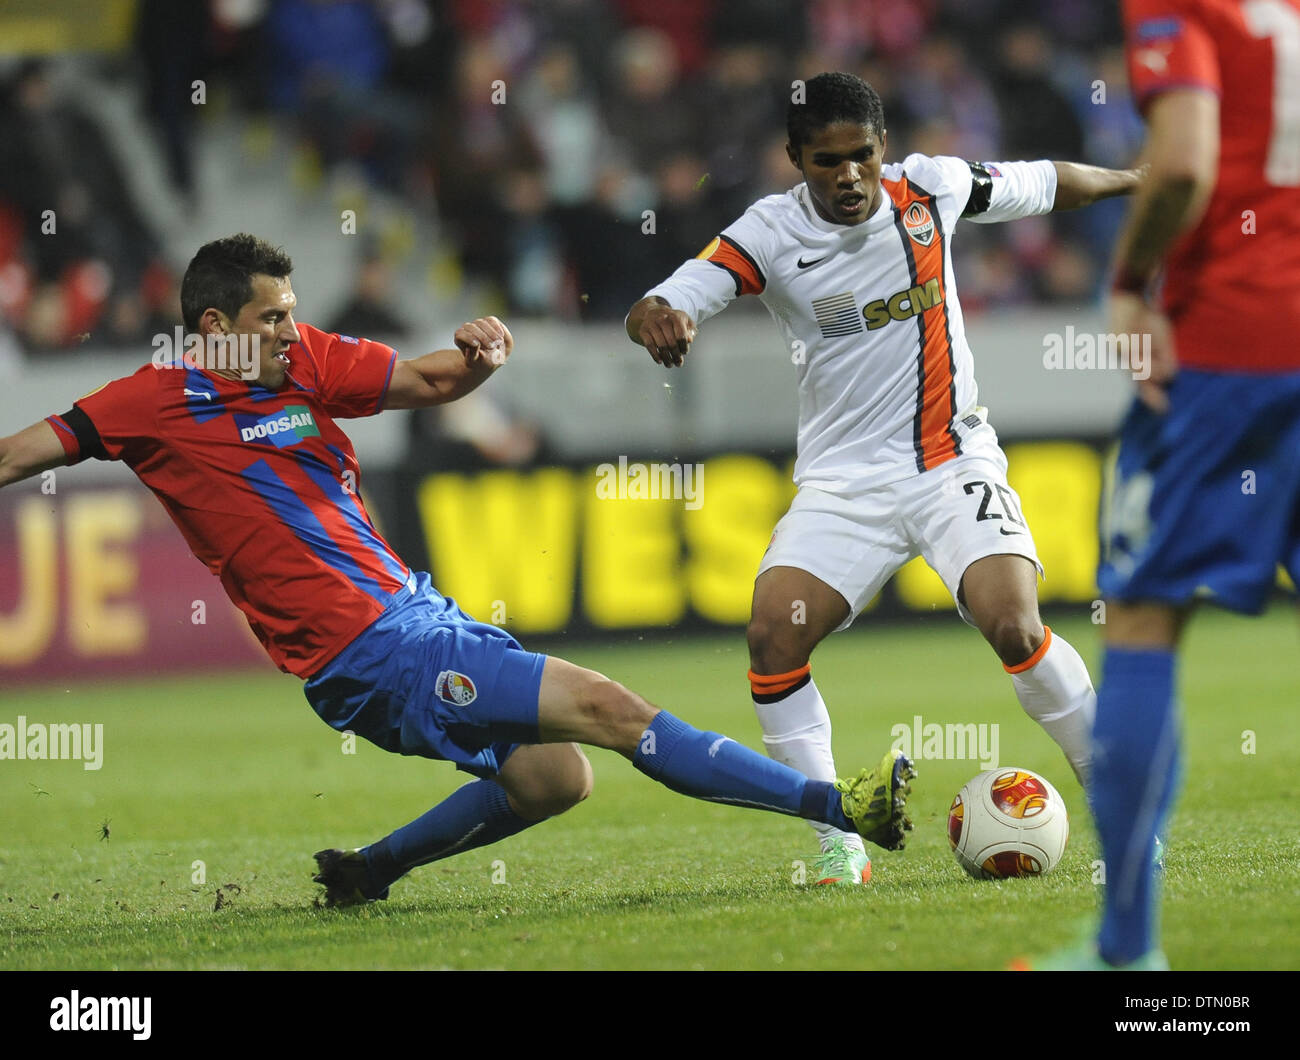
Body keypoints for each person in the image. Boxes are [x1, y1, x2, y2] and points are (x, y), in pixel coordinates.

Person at [0, 233, 915, 906]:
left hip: (416, 613)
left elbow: (430, 382)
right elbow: (21, 451)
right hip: (362, 651)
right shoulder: (150, 402)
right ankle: (840, 806)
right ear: (214, 326)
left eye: (291, 310)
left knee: (557, 779)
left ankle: (369, 872)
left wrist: (479, 362)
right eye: (272, 316)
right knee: (608, 706)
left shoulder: (303, 362)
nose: (292, 328)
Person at [626, 72, 1141, 886]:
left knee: (1013, 624)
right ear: (796, 159)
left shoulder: (932, 190)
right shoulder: (766, 233)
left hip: (951, 461)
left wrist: (1138, 179)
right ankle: (840, 843)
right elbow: (681, 290)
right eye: (826, 161)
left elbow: (1051, 183)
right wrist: (658, 310)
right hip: (843, 486)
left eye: (862, 155)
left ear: (883, 147)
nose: (849, 176)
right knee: (771, 637)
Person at [1024, 0, 1300, 970]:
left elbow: (1182, 160)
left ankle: (1124, 948)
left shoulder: (1183, 7)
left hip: (1234, 351)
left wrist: (1132, 279)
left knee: (1141, 615)